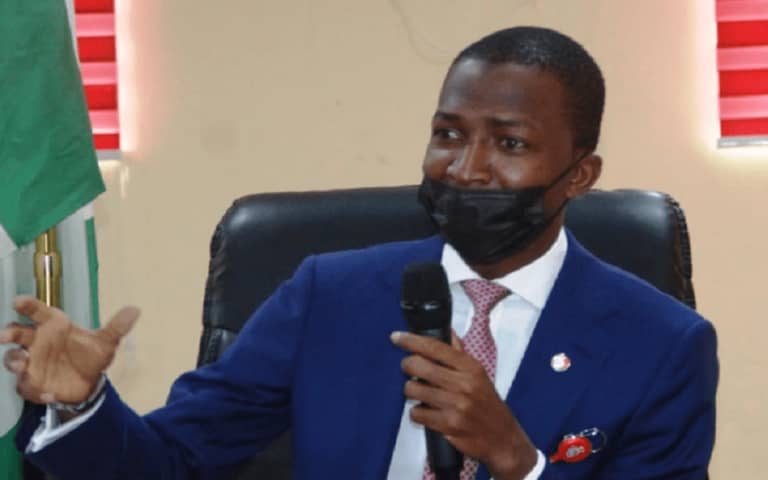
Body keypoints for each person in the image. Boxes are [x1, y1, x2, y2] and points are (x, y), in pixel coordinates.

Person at [0, 27, 718, 479]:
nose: (467, 168)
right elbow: (171, 463)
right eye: (448, 134)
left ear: (581, 176)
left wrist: (518, 460)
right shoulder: (330, 295)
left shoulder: (662, 343)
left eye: (510, 143)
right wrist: (83, 403)